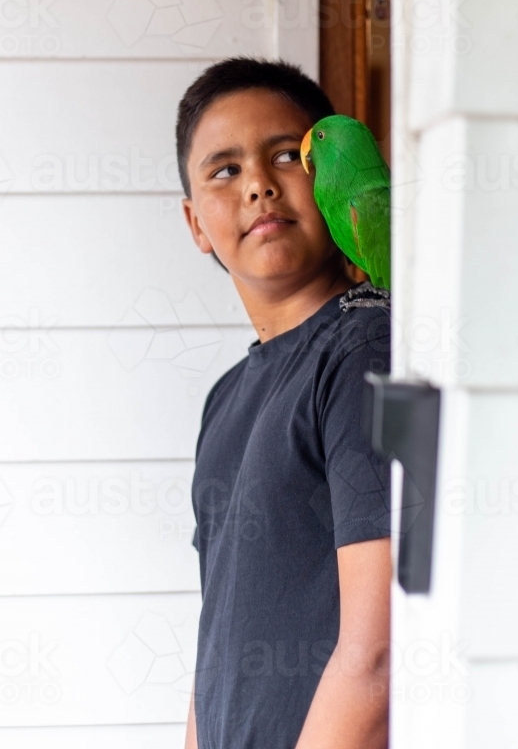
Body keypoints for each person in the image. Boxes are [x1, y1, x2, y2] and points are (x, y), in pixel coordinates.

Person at [177, 57, 392, 749]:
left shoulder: (366, 349)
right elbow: (221, 635)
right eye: (224, 171)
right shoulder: (225, 399)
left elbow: (379, 653)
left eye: (283, 156)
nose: (260, 187)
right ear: (195, 224)